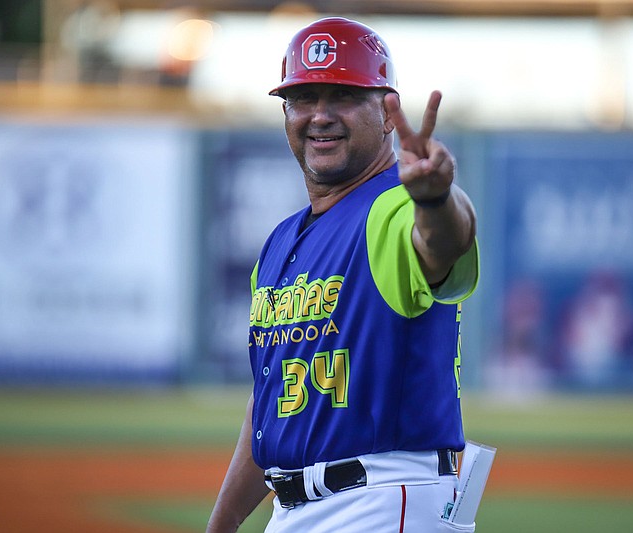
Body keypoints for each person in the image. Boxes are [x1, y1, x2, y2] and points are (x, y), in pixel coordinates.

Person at [206, 16, 480, 533]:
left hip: (382, 499)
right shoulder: (280, 244)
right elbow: (272, 407)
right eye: (304, 98)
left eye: (344, 96)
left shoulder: (393, 210)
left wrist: (437, 198)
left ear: (385, 110)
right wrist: (220, 525)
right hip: (295, 507)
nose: (320, 115)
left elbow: (443, 242)